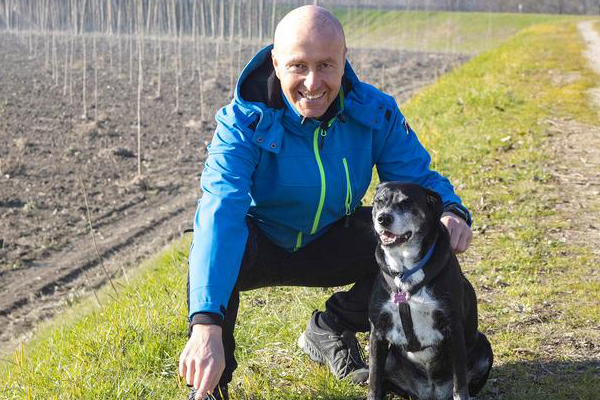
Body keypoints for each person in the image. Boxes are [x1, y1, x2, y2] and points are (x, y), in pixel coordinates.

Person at [178, 5, 473, 400]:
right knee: (215, 254)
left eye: (326, 65)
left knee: (412, 236)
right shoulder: (242, 123)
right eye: (298, 66)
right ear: (276, 63)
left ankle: (332, 325)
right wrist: (205, 325)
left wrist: (452, 210)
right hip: (261, 242)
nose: (313, 83)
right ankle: (212, 385)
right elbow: (220, 212)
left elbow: (417, 180)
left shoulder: (375, 111)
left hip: (330, 237)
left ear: (343, 62)